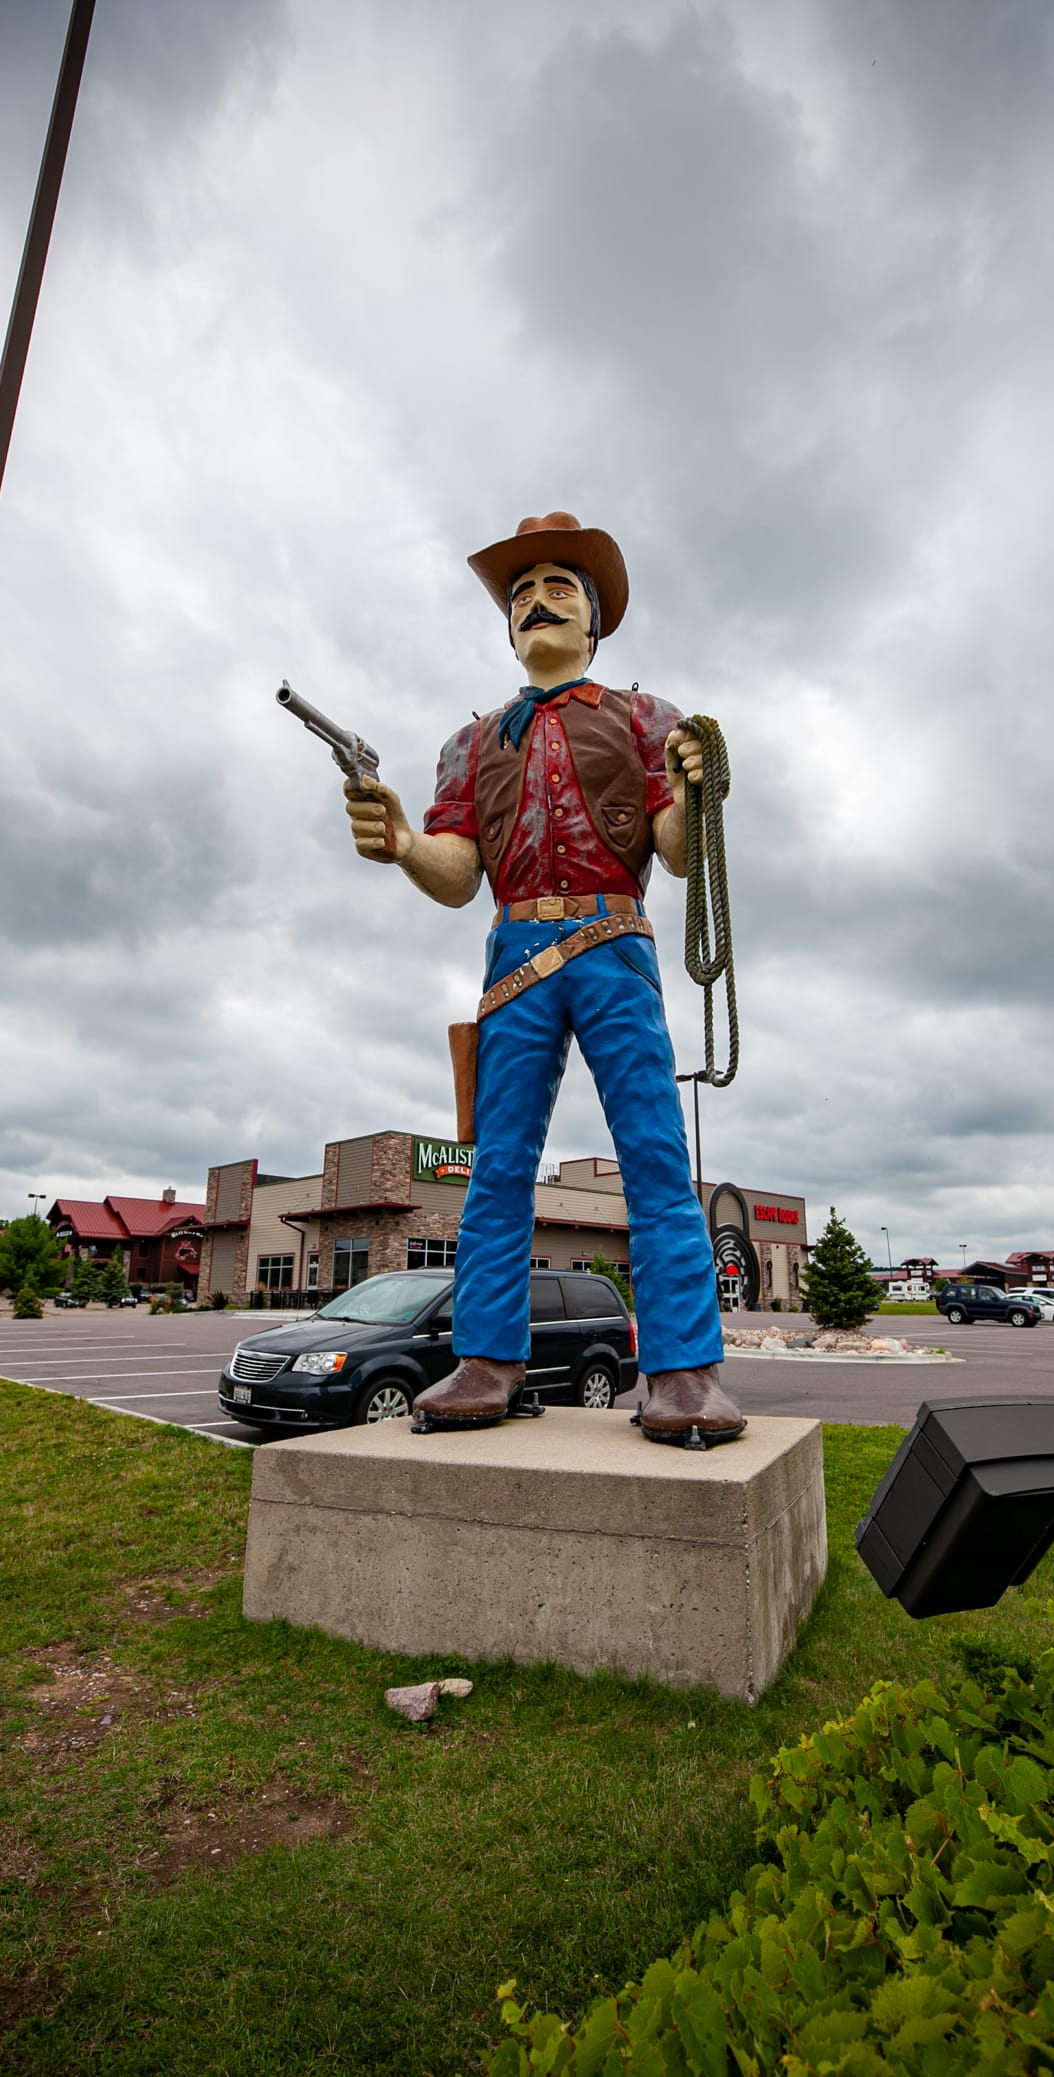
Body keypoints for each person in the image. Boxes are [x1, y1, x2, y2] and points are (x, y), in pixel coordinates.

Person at [343, 511, 743, 1449]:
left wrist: (697, 790)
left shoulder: (648, 720)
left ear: (596, 619)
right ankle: (485, 1360)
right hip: (514, 953)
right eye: (522, 593)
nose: (536, 601)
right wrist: (403, 841)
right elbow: (457, 873)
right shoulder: (473, 742)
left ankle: (684, 1371)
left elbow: (679, 856)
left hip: (612, 939)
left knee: (650, 1152)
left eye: (559, 586)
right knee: (498, 1168)